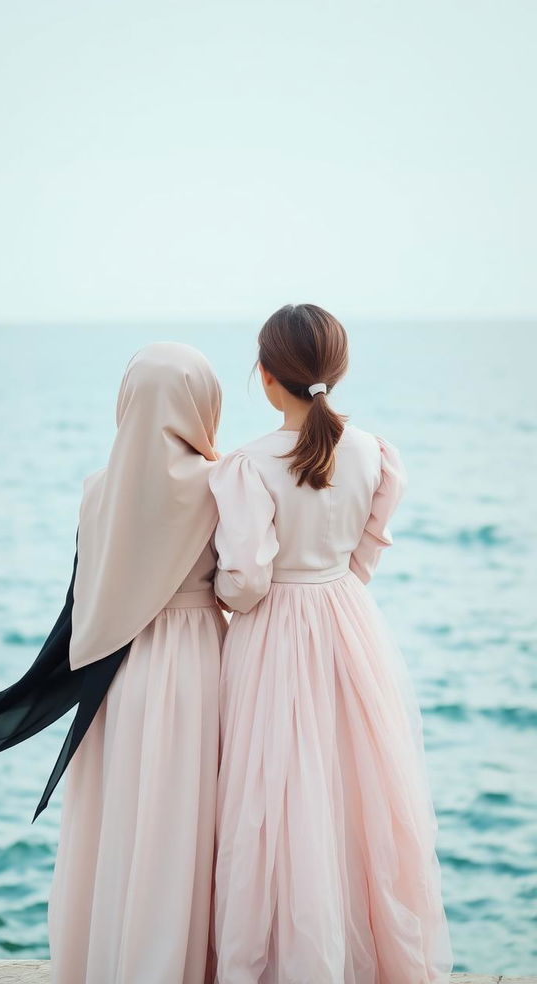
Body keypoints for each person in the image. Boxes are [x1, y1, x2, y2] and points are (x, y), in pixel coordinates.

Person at [209, 305, 452, 983]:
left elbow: (248, 582)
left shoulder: (248, 464)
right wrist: (330, 584)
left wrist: (219, 593)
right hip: (351, 623)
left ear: (264, 375)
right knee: (356, 792)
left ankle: (283, 959)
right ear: (335, 371)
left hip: (275, 637)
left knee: (277, 797)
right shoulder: (377, 452)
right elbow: (365, 555)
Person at [48, 342, 227, 984]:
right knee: (184, 820)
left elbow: (91, 588)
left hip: (119, 665)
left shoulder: (97, 489)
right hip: (197, 660)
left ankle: (111, 961)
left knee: (119, 818)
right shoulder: (220, 481)